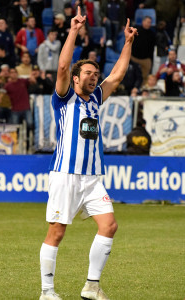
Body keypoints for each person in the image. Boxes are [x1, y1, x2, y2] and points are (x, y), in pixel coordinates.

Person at [39, 6, 138, 300]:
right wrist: (73, 31)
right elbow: (61, 67)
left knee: (109, 226)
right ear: (76, 77)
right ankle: (47, 291)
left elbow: (117, 75)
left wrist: (128, 42)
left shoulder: (96, 97)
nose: (94, 78)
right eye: (88, 74)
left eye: (96, 74)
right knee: (56, 232)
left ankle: (91, 286)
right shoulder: (64, 97)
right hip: (66, 176)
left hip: (93, 178)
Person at [131, 16, 156, 85]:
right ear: (143, 22)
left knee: (145, 78)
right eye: (147, 22)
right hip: (134, 58)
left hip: (146, 60)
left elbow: (152, 49)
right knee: (133, 75)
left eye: (150, 22)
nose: (149, 24)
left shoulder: (152, 34)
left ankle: (143, 90)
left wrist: (150, 60)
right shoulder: (136, 31)